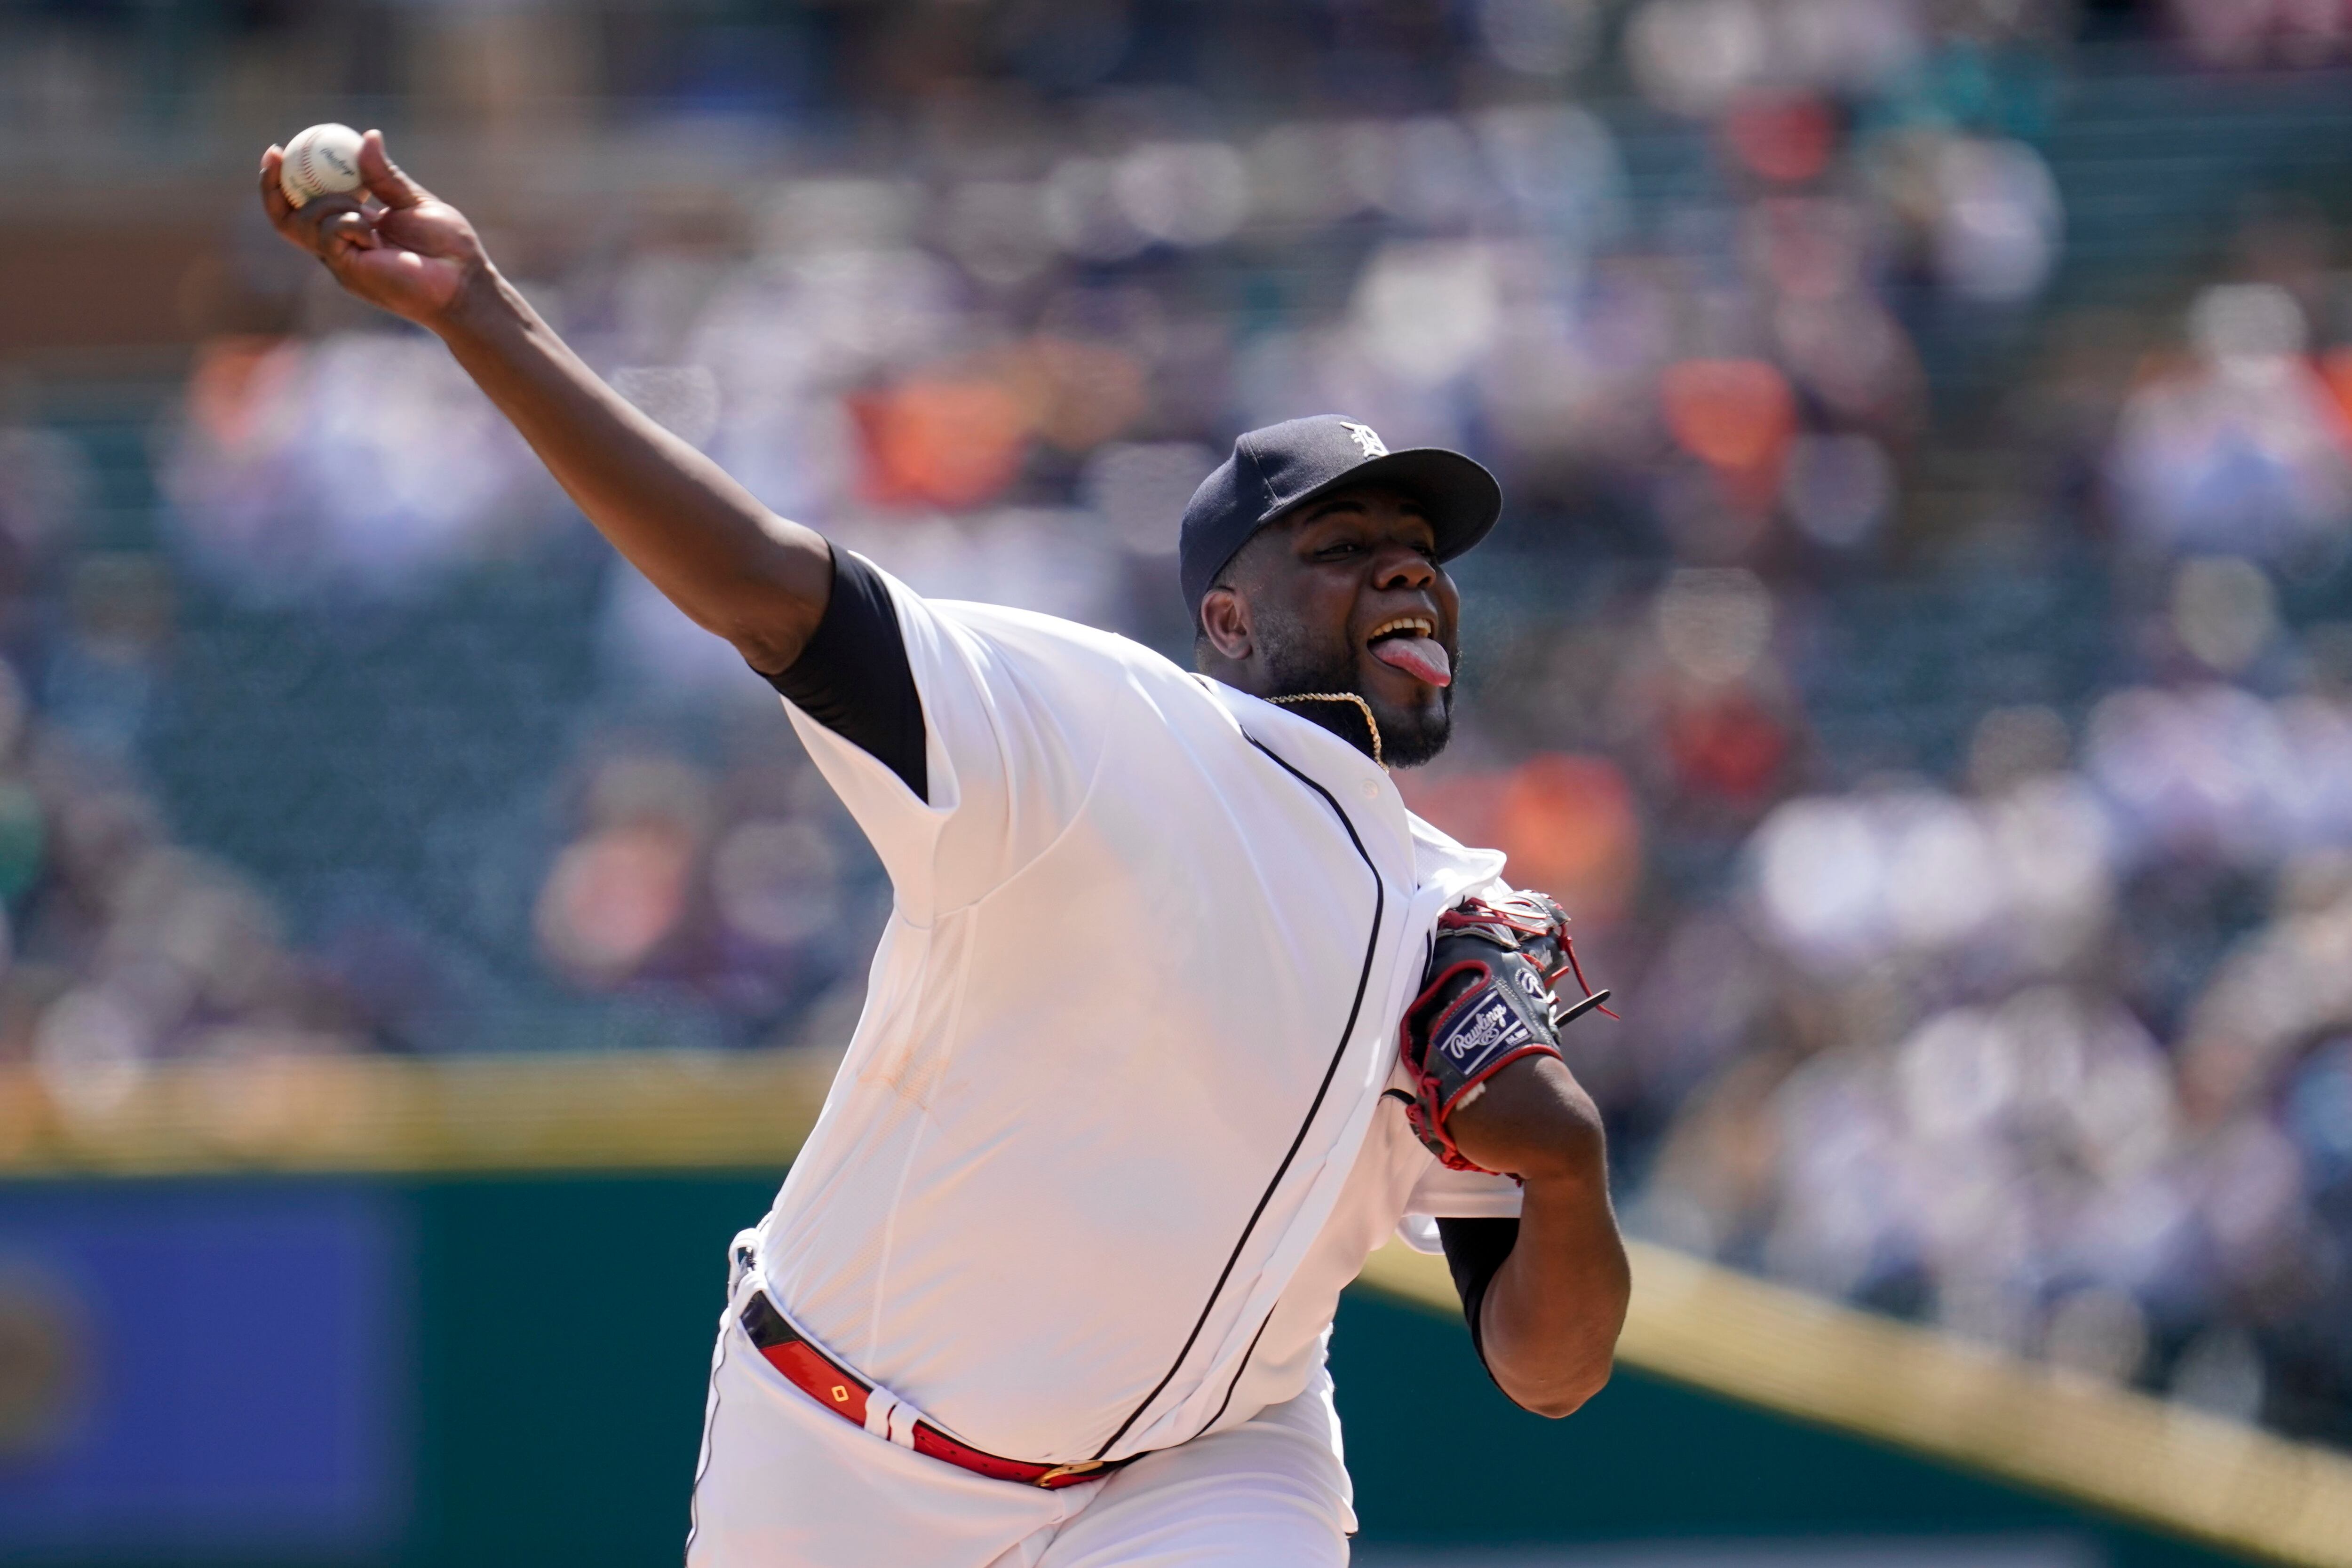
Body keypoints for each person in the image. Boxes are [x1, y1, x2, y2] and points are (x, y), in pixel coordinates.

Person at [258, 131, 1630, 1567]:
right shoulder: (1106, 730)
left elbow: (1552, 1374)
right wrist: (485, 312)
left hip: (1205, 1469)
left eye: (1420, 547)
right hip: (842, 1449)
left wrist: (1569, 1175)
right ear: (1227, 623)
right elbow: (766, 591)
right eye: (1343, 543)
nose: (1407, 564)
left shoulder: (1455, 921)